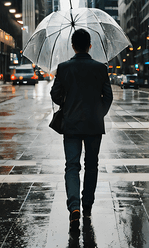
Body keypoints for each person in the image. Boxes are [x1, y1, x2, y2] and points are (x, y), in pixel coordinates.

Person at [50, 29, 113, 228]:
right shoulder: (100, 68)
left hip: (71, 123)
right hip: (94, 125)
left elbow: (55, 95)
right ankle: (87, 206)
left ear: (73, 45)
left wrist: (67, 104)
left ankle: (74, 206)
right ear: (90, 46)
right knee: (91, 165)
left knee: (72, 166)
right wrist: (98, 113)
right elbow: (108, 96)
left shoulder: (63, 68)